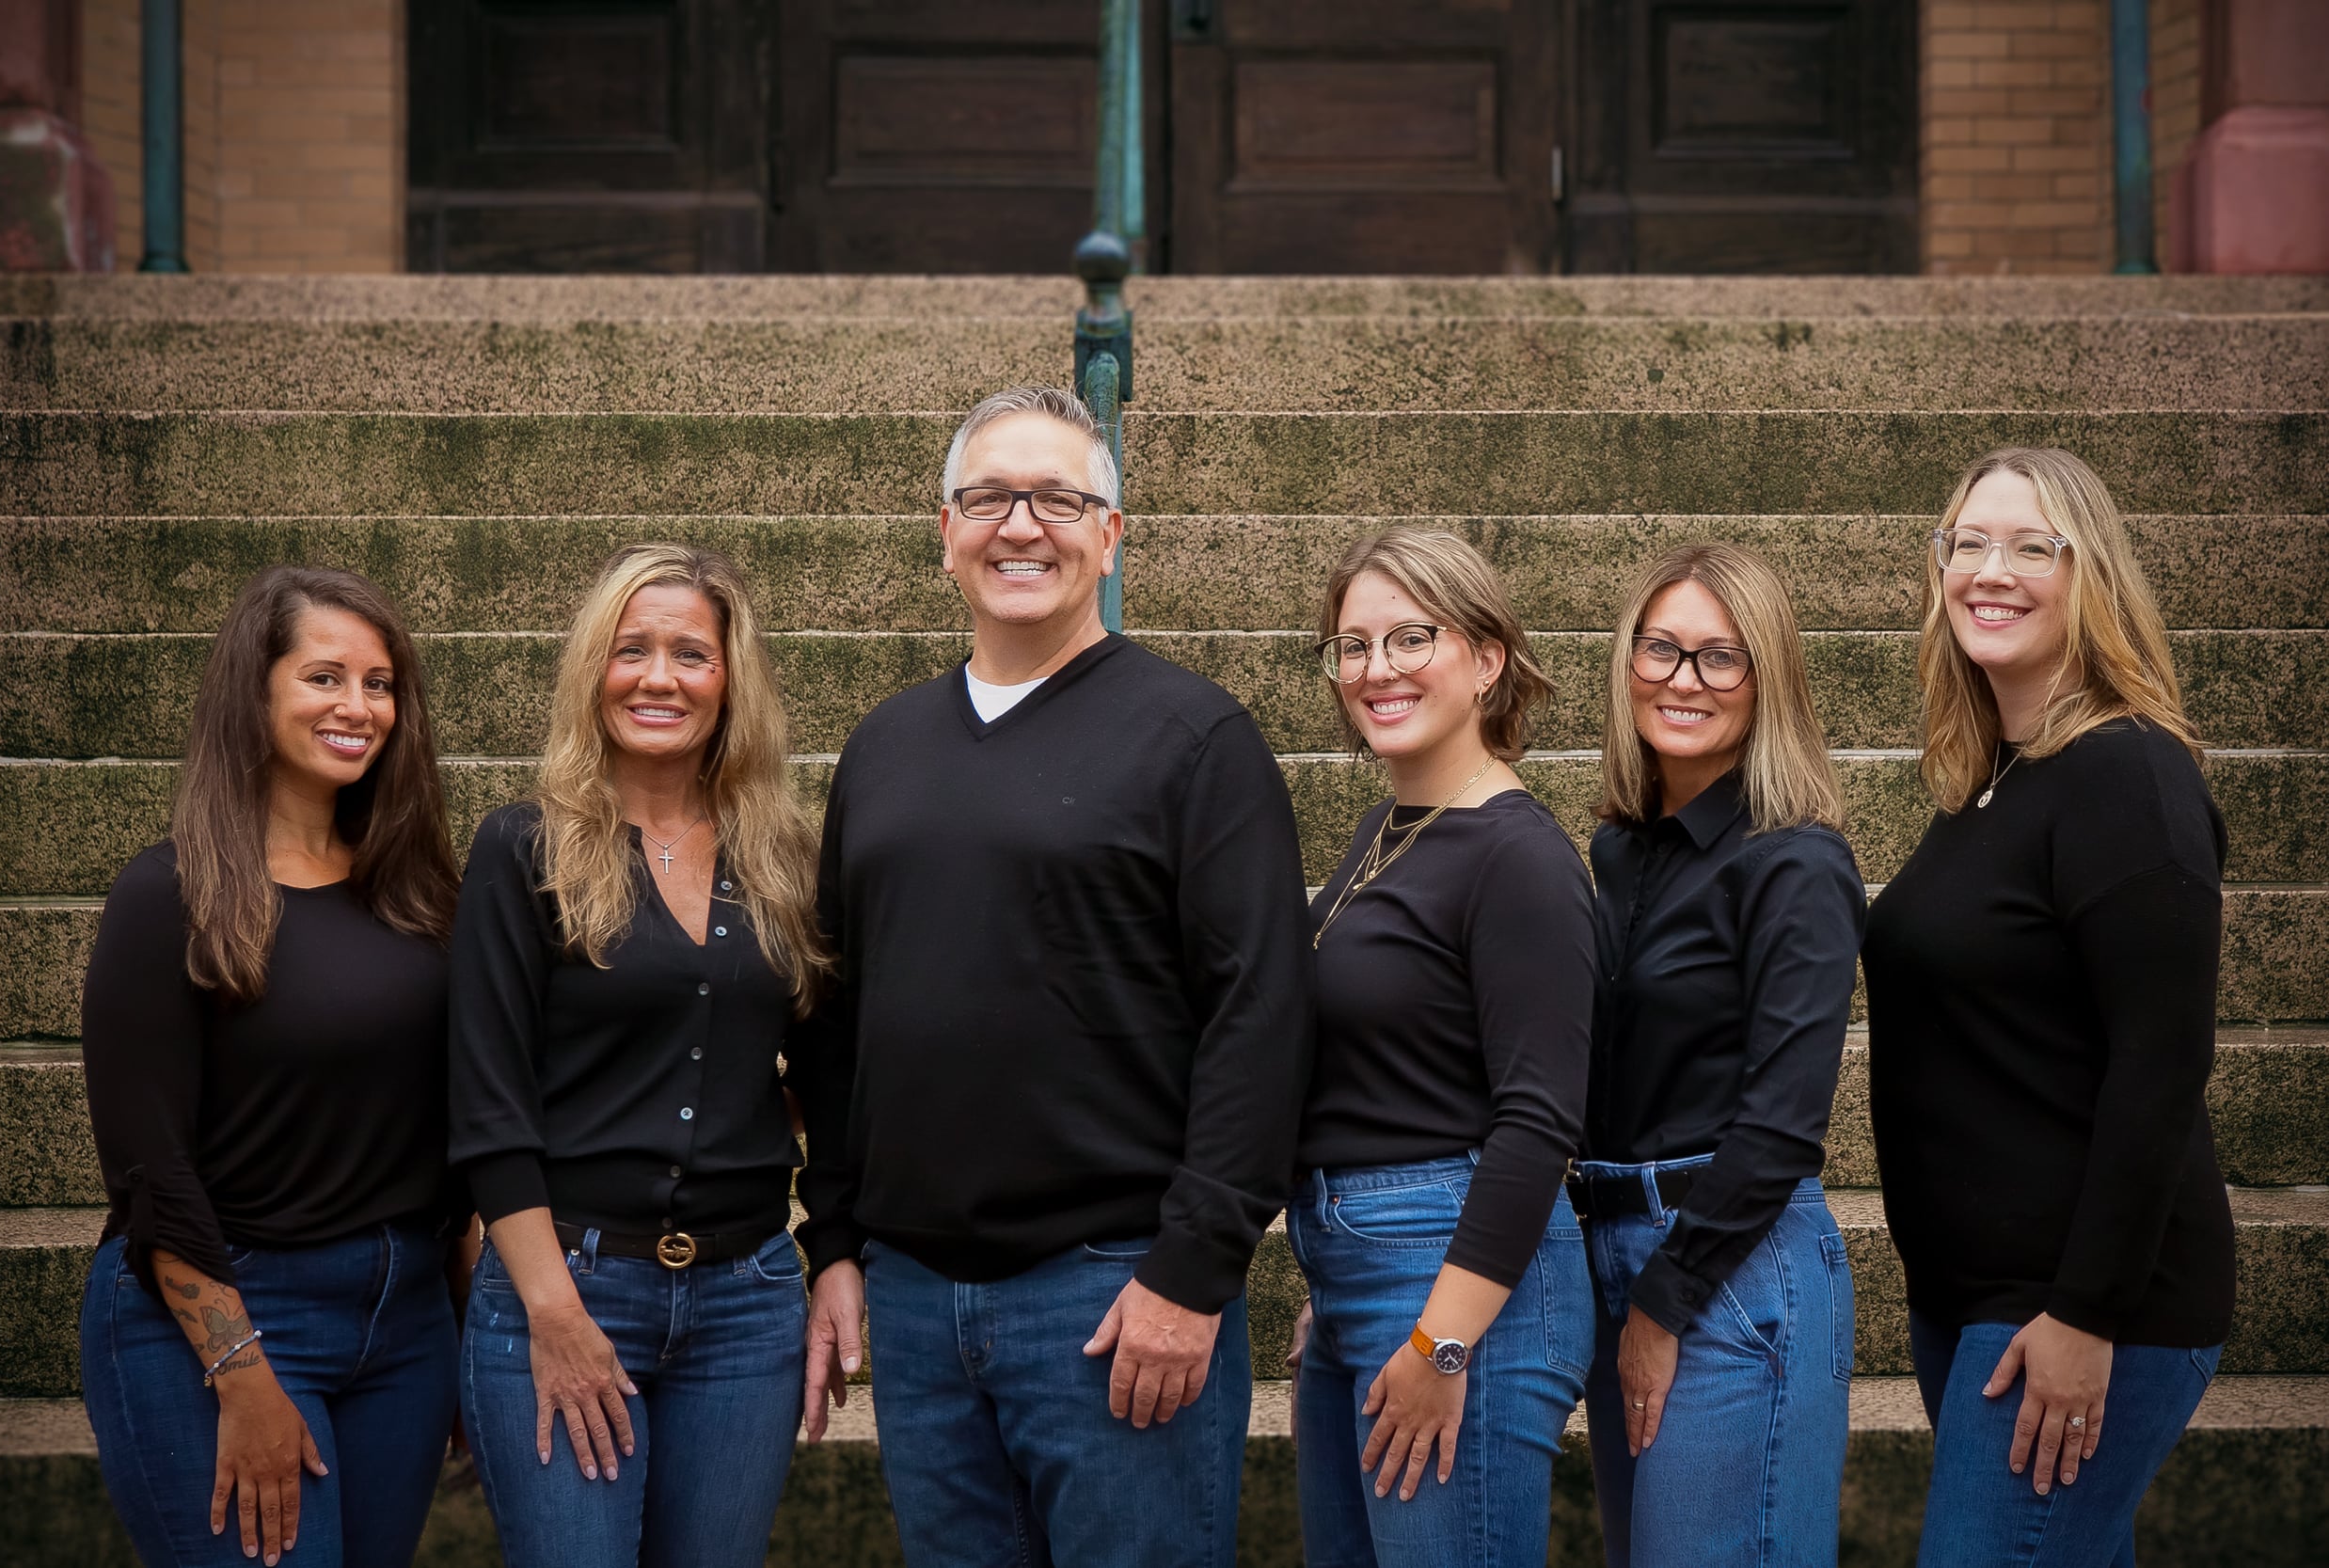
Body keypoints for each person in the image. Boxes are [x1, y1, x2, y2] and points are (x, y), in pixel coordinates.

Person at [794, 385, 1314, 1567]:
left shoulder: (1196, 740)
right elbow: (833, 1017)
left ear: (1110, 533)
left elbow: (1262, 1017)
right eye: (987, 497)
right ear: (945, 528)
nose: (1020, 524)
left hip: (1115, 1295)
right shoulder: (883, 748)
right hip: (917, 1304)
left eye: (1058, 498)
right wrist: (832, 1240)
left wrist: (1195, 1267)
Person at [1862, 448, 2235, 1566]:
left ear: (2091, 576)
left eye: (2032, 546)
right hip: (1973, 1306)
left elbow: (2160, 1065)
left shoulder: (2128, 774)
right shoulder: (1995, 778)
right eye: (1967, 542)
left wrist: (2083, 1315)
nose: (1990, 568)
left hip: (2074, 1313)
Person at [450, 544, 837, 1565]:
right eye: (632, 650)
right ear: (594, 670)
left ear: (730, 680)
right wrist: (553, 1310)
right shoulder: (523, 847)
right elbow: (487, 1099)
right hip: (568, 1280)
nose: (658, 676)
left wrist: (832, 1246)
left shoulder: (788, 859)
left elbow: (831, 1071)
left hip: (747, 1301)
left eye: (690, 654)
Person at [79, 566, 464, 1568]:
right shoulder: (170, 895)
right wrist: (242, 1374)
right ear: (255, 689)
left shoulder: (419, 891)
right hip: (224, 1314)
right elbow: (149, 1166)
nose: (359, 706)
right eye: (325, 676)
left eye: (380, 683)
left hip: (405, 1319)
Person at [1285, 528, 1596, 1567]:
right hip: (1360, 1270)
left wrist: (1440, 1337)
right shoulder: (1390, 823)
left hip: (1456, 1279)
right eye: (1352, 645)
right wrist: (1330, 1277)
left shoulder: (1518, 854)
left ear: (1486, 657)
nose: (1376, 669)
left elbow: (1539, 1115)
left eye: (1410, 637)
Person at [1577, 542, 1864, 1567]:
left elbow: (1783, 1119)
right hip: (1610, 1243)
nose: (1681, 678)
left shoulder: (1795, 861)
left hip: (1730, 1265)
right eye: (1661, 648)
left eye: (1718, 657)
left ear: (1767, 679)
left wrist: (1664, 1298)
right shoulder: (1617, 848)